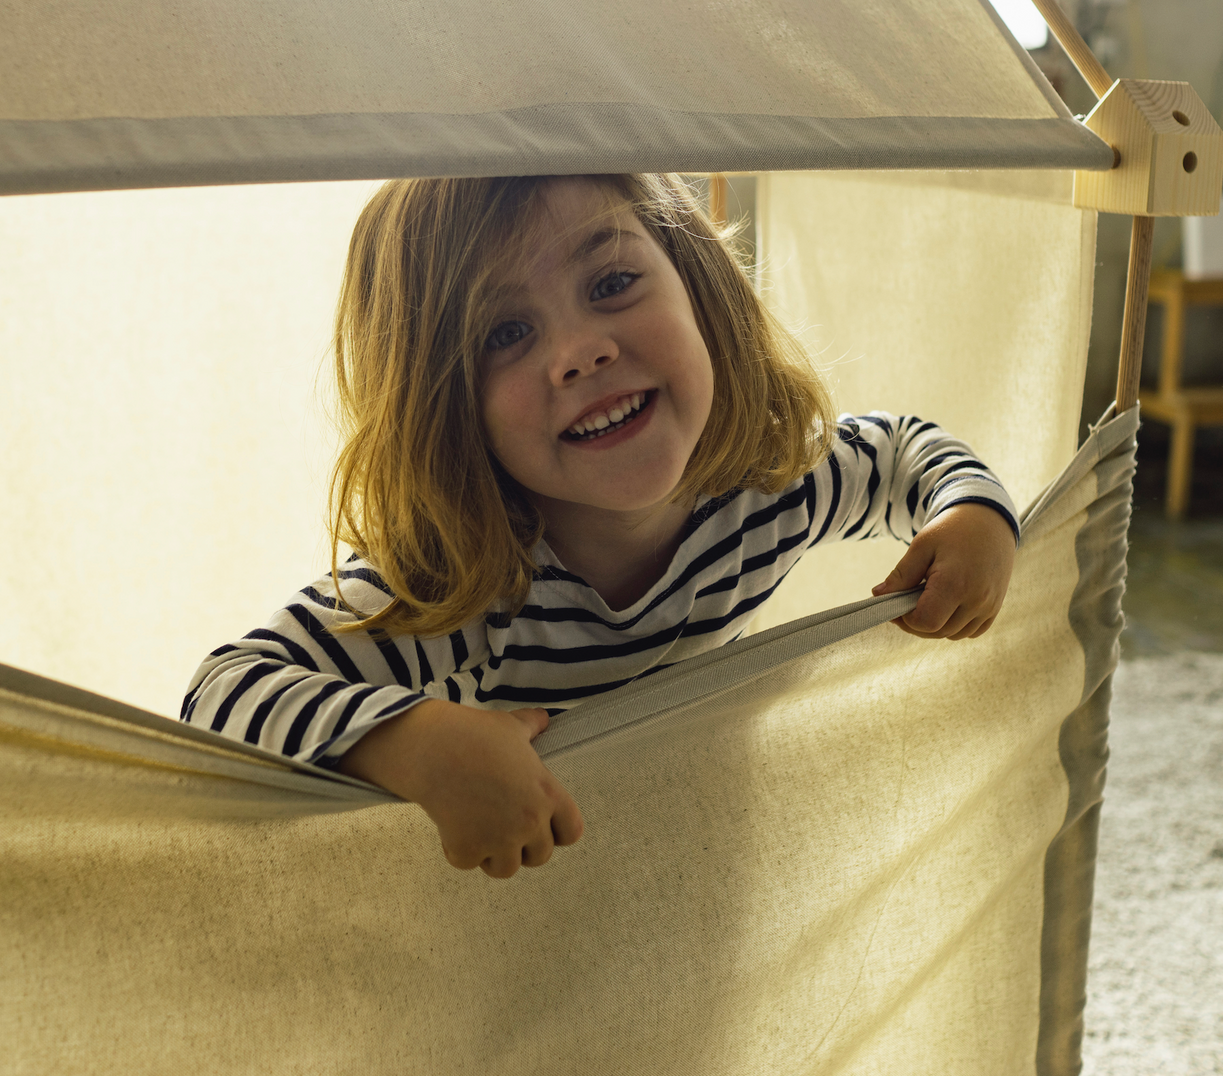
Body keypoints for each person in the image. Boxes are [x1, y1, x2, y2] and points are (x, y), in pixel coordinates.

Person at [181, 174, 1018, 880]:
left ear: (698, 284)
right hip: (525, 909)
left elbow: (905, 451)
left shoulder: (768, 491)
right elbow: (220, 696)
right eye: (506, 333)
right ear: (445, 405)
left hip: (703, 860)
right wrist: (413, 741)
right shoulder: (463, 592)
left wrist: (972, 512)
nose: (579, 353)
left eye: (611, 283)